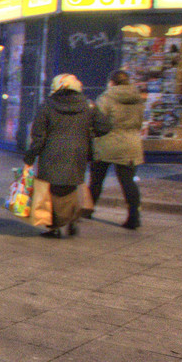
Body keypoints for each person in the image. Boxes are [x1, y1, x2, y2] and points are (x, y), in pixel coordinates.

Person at [25, 74, 112, 238]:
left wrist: (30, 156)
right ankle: (71, 220)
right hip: (78, 152)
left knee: (53, 189)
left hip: (51, 153)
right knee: (72, 185)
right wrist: (88, 132)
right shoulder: (88, 105)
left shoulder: (47, 106)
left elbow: (38, 136)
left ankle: (55, 226)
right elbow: (105, 126)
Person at [89, 69, 145, 229]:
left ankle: (88, 209)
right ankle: (134, 217)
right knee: (128, 182)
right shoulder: (138, 98)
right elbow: (140, 121)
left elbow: (99, 121)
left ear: (112, 82)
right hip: (131, 144)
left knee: (96, 180)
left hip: (107, 143)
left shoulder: (106, 98)